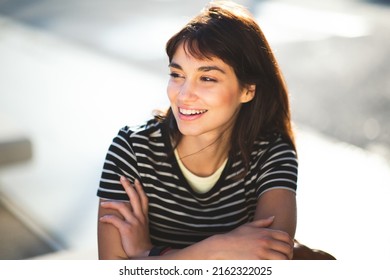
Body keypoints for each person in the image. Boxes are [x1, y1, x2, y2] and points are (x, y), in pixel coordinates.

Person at [97, 0, 298, 260]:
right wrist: (217, 249)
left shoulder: (272, 154)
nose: (184, 95)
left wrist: (146, 254)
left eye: (207, 78)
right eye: (177, 74)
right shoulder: (132, 149)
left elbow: (267, 268)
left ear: (247, 90)